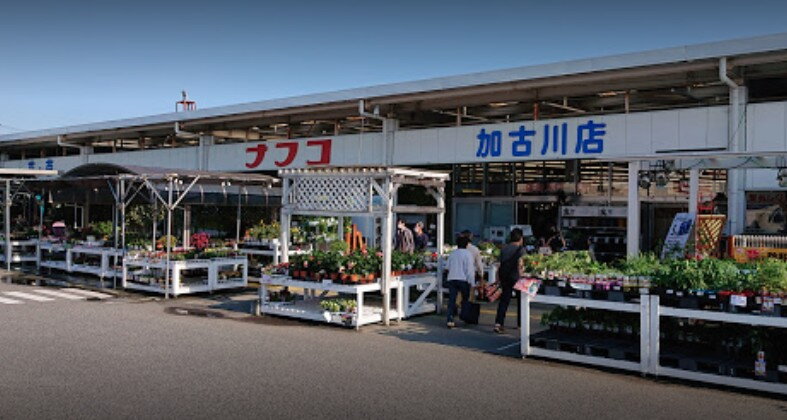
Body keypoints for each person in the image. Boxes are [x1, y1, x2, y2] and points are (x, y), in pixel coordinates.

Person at [494, 228, 525, 334]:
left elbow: (499, 265)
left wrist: (497, 278)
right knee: (521, 300)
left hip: (505, 276)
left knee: (504, 300)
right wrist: (522, 275)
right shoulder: (521, 249)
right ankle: (520, 324)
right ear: (521, 238)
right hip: (516, 277)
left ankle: (498, 323)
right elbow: (520, 264)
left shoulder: (504, 249)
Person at [445, 236, 476, 328]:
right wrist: (472, 283)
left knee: (452, 299)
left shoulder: (452, 253)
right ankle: (464, 316)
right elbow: (469, 270)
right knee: (465, 299)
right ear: (466, 245)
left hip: (452, 278)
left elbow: (447, 267)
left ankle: (450, 319)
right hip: (463, 279)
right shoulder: (468, 254)